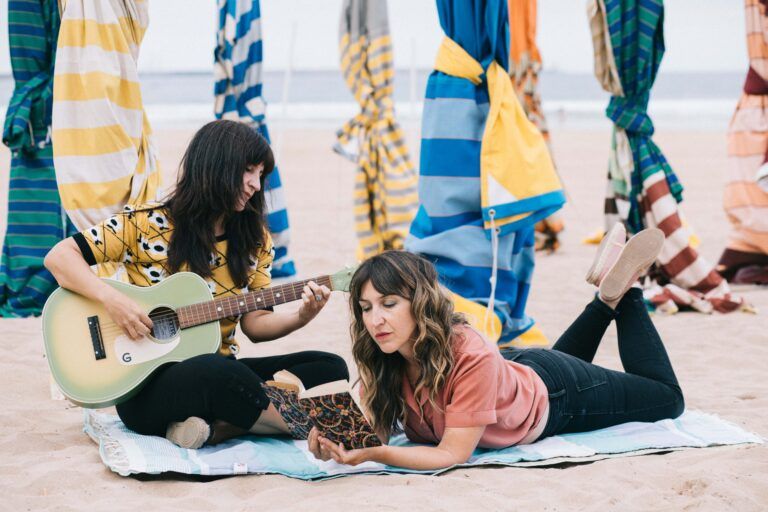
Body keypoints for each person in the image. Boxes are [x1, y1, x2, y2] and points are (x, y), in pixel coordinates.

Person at [45, 120, 349, 449]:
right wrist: (113, 301)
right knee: (216, 372)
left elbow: (256, 325)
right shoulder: (147, 222)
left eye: (261, 175)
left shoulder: (255, 241)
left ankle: (221, 427)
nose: (256, 185)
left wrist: (302, 315)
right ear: (216, 165)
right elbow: (60, 258)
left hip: (225, 374)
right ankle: (311, 426)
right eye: (249, 171)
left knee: (330, 366)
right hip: (148, 390)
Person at [307, 225, 684, 470]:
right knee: (546, 361)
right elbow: (377, 434)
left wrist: (373, 454)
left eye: (389, 304)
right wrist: (340, 443)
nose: (375, 321)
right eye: (366, 308)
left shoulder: (470, 355)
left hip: (557, 395)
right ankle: (605, 298)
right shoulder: (382, 355)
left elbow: (451, 455)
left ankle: (629, 289)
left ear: (420, 303)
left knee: (668, 399)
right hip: (512, 371)